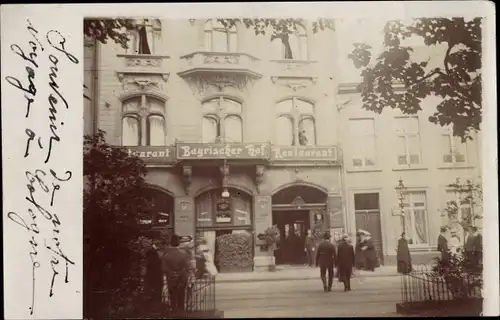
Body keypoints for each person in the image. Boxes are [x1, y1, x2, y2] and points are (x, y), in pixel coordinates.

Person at [161, 234, 191, 316]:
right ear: (179, 243)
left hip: (171, 278)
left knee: (172, 295)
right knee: (181, 294)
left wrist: (172, 273)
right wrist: (180, 273)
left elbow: (164, 268)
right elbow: (187, 267)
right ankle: (181, 311)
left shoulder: (166, 255)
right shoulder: (184, 254)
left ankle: (174, 311)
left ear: (170, 243)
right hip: (182, 278)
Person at [144, 238, 163, 313]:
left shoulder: (149, 256)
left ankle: (152, 309)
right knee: (156, 294)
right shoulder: (156, 255)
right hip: (156, 277)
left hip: (152, 278)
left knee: (153, 294)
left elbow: (145, 268)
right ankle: (155, 309)